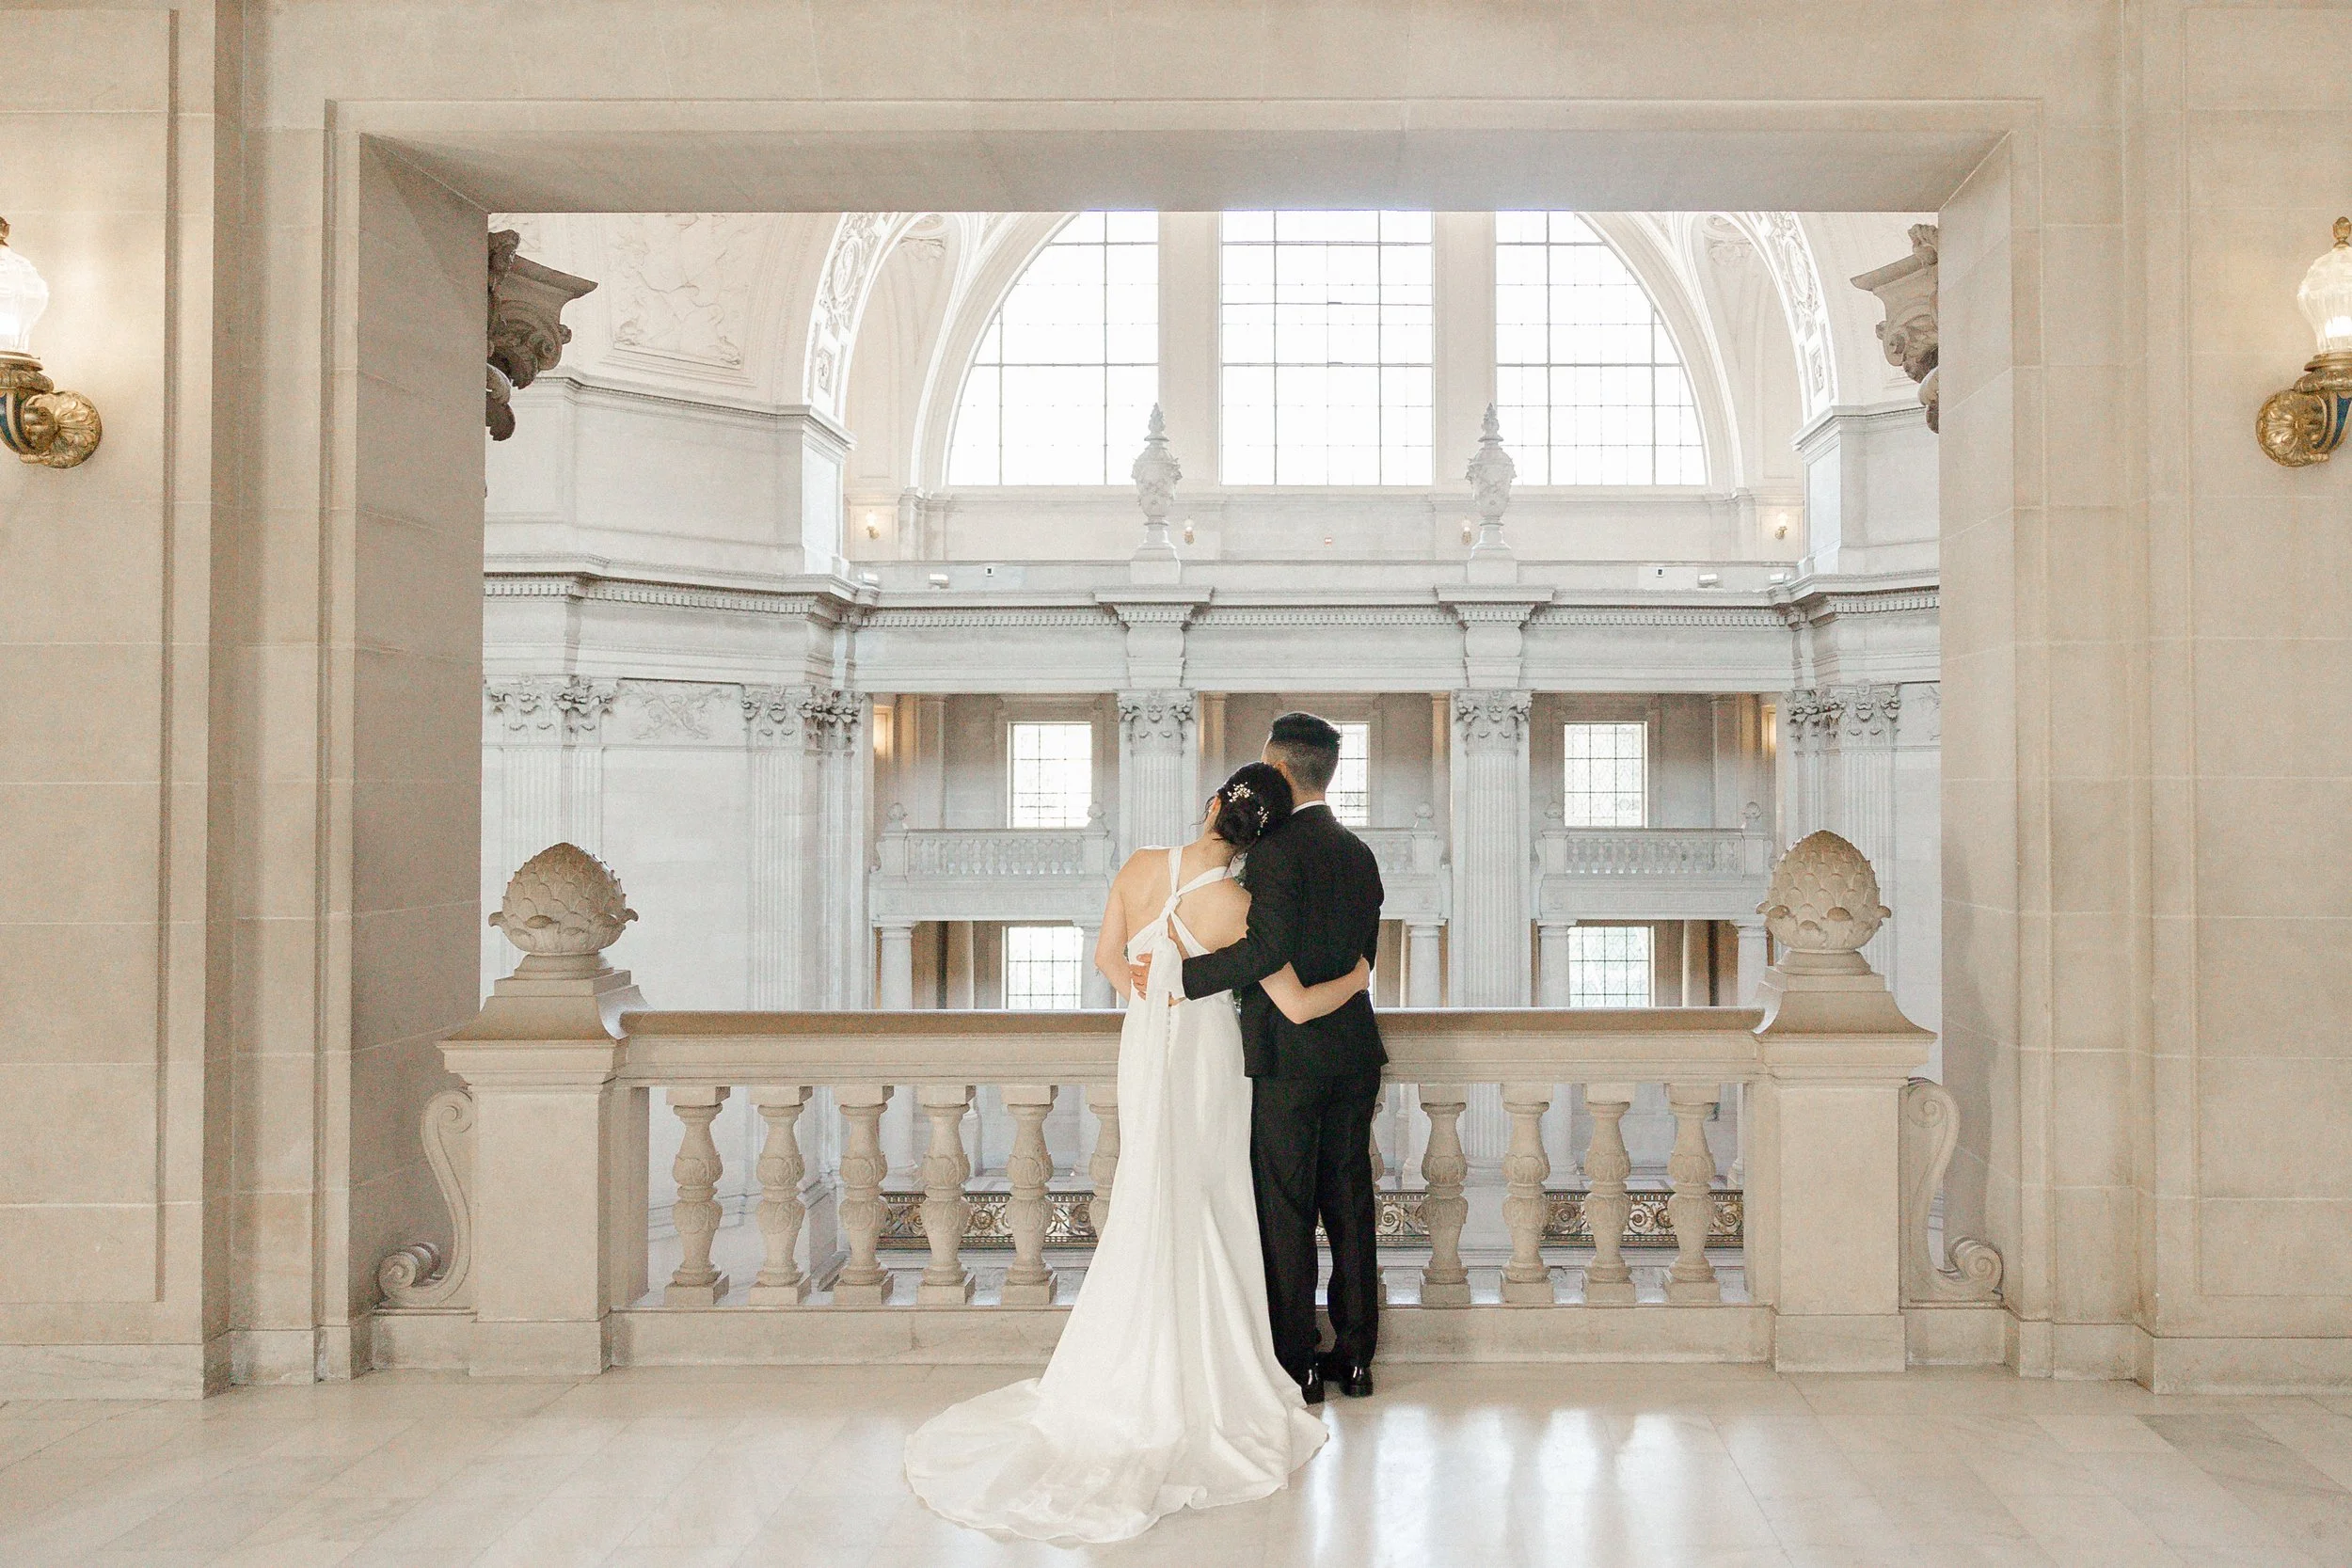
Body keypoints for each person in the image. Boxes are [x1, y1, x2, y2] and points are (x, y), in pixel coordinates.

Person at [902, 762, 1369, 1545]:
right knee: (1214, 1200)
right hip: (1212, 1061)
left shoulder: (1140, 867)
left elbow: (1111, 964)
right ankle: (1216, 1373)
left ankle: (1126, 1366)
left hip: (1148, 1049)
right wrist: (1355, 976)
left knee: (1153, 1190)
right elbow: (1293, 1001)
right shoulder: (1241, 907)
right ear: (1264, 837)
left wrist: (1148, 995)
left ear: (1215, 804)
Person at [1136, 711, 1387, 1404]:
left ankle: (1298, 1361)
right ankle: (1359, 1357)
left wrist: (1179, 980)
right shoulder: (1361, 854)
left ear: (1277, 772)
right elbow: (1363, 958)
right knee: (1350, 1202)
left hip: (1287, 1057)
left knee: (1285, 1209)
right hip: (1354, 1053)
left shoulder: (1272, 853)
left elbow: (1265, 950)